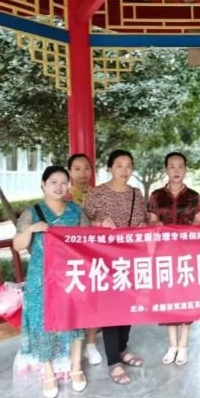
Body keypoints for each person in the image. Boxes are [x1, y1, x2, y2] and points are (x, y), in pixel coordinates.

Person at [13, 166, 88, 398]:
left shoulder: (76, 211)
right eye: (53, 182)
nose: (59, 186)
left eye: (64, 182)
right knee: (42, 322)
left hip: (71, 275)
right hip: (41, 277)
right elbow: (17, 245)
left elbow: (88, 240)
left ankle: (76, 367)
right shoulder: (32, 212)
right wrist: (33, 229)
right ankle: (48, 372)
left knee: (75, 320)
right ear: (43, 185)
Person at [84, 149, 147, 385]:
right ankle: (113, 362)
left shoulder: (136, 194)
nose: (124, 170)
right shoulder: (97, 194)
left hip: (131, 258)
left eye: (129, 165)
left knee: (128, 306)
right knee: (111, 308)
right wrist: (99, 223)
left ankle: (122, 350)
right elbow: (82, 224)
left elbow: (142, 221)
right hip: (104, 259)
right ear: (110, 168)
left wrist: (143, 227)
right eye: (119, 165)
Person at [148, 152, 200, 366]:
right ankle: (172, 344)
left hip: (187, 254)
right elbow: (151, 222)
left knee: (187, 297)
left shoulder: (193, 196)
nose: (176, 170)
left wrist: (189, 228)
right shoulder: (156, 196)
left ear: (185, 169)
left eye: (180, 166)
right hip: (164, 254)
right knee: (168, 297)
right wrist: (157, 226)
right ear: (166, 169)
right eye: (172, 166)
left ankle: (183, 345)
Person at [66, 153, 102, 366]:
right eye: (77, 168)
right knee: (72, 301)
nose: (83, 173)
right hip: (70, 257)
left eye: (87, 168)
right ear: (70, 171)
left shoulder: (99, 195)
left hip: (94, 254)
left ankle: (91, 344)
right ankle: (72, 343)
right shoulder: (63, 196)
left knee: (93, 300)